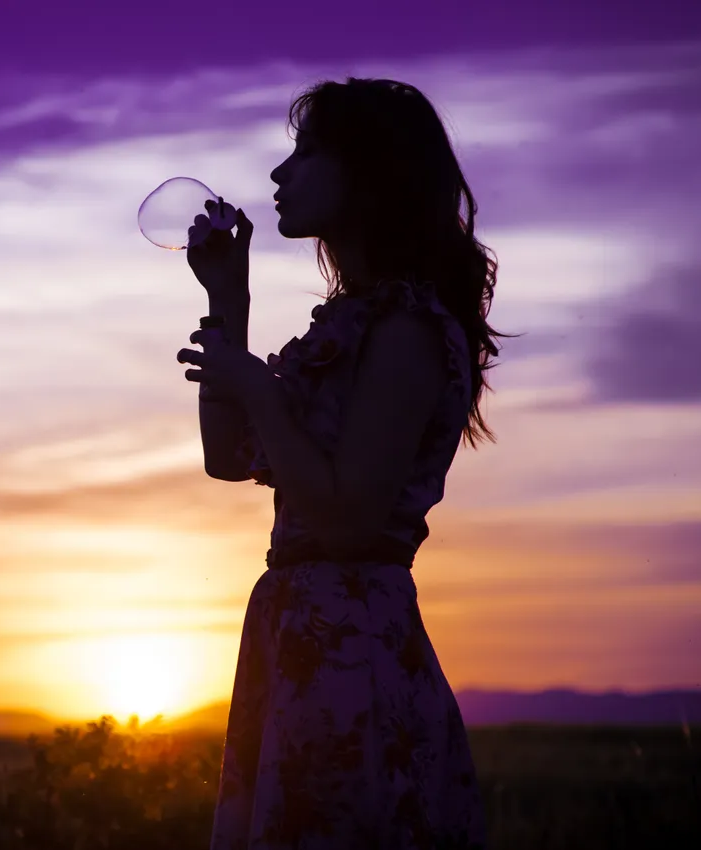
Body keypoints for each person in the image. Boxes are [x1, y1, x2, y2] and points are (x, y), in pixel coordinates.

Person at [176, 77, 511, 849]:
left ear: (370, 172)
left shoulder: (408, 330)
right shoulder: (356, 322)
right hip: (302, 638)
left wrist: (258, 386)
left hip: (350, 648)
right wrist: (229, 299)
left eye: (307, 151)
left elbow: (350, 516)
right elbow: (227, 459)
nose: (279, 175)